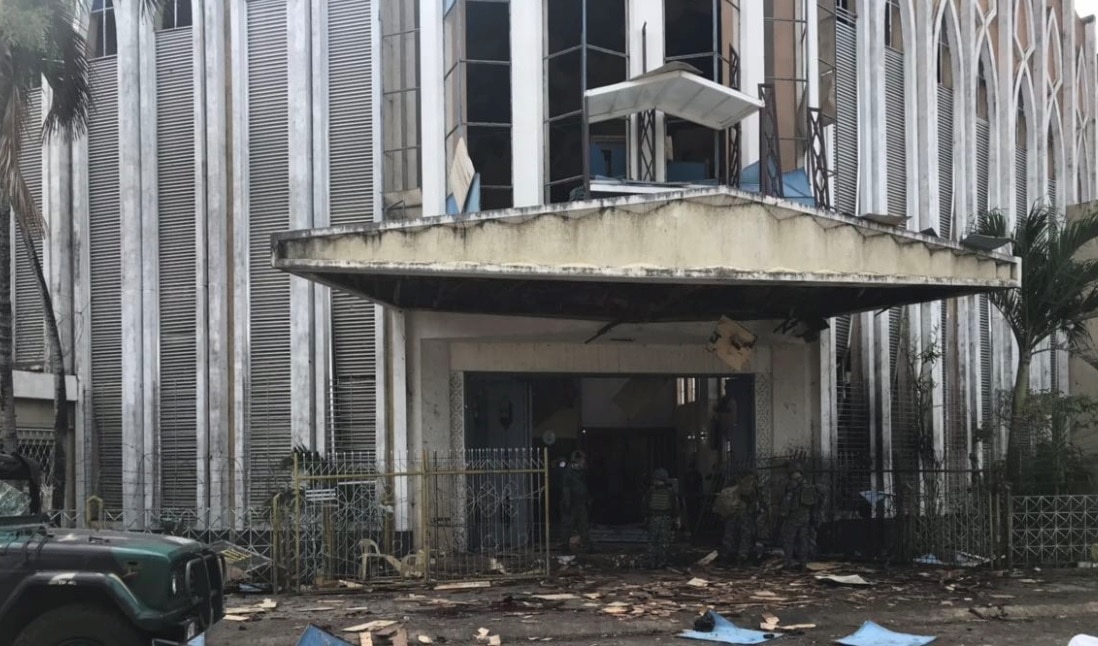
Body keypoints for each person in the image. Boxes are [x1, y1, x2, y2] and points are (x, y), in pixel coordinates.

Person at [715, 471, 765, 566]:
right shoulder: (736, 490)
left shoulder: (750, 490)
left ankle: (736, 556)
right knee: (734, 535)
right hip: (737, 515)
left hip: (742, 515)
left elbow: (756, 504)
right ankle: (733, 556)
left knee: (740, 535)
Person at [779, 463, 819, 571]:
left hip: (793, 516)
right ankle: (803, 564)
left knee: (788, 540)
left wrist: (782, 514)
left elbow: (786, 503)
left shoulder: (792, 486)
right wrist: (814, 519)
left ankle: (788, 563)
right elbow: (815, 505)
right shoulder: (810, 487)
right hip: (805, 517)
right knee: (803, 540)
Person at [645, 468, 680, 568]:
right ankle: (662, 563)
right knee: (664, 542)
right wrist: (677, 519)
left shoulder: (650, 492)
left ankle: (651, 563)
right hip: (665, 519)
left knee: (652, 542)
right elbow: (675, 507)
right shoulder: (670, 493)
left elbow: (645, 507)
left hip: (653, 519)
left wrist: (646, 518)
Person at [560, 450, 590, 552]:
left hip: (581, 502)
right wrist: (567, 503)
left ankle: (587, 545)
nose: (584, 461)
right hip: (572, 503)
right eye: (582, 459)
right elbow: (566, 488)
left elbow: (585, 486)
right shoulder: (569, 472)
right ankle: (564, 546)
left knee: (583, 525)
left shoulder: (582, 472)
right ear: (577, 460)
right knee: (568, 525)